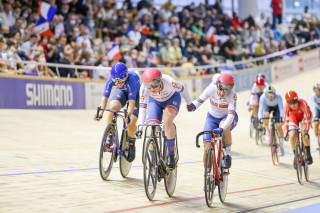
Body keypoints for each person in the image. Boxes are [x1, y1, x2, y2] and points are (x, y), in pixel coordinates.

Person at [135, 68, 194, 169]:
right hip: (155, 101)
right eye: (148, 85)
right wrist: (139, 128)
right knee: (150, 128)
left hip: (172, 99)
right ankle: (152, 157)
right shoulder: (144, 88)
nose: (152, 88)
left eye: (154, 84)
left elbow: (183, 89)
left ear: (160, 81)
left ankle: (171, 155)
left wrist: (189, 103)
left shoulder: (170, 82)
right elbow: (142, 108)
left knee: (167, 121)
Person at [94, 62, 140, 162]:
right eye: (116, 81)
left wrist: (128, 115)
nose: (118, 84)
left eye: (120, 81)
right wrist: (100, 114)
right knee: (113, 106)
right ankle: (110, 133)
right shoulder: (111, 79)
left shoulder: (131, 79)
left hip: (134, 96)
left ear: (126, 77)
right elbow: (104, 99)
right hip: (122, 92)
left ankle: (132, 143)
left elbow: (132, 103)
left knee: (131, 122)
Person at [192, 74, 238, 169]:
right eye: (220, 89)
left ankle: (227, 155)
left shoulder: (232, 95)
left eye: (225, 91)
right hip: (212, 118)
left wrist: (222, 128)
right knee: (207, 147)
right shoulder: (211, 89)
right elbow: (199, 100)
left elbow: (230, 115)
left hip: (227, 118)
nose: (222, 93)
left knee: (225, 128)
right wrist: (192, 106)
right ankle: (207, 173)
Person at [283, 91, 313, 168]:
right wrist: (286, 133)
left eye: (294, 102)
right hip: (294, 117)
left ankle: (308, 155)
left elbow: (307, 118)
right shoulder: (286, 107)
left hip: (304, 117)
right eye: (290, 103)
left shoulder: (302, 103)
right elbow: (286, 121)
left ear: (297, 100)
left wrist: (306, 131)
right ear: (287, 103)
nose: (293, 105)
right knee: (292, 135)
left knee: (304, 133)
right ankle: (296, 156)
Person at [258, 86, 285, 155]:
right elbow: (260, 110)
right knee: (265, 115)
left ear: (274, 94)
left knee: (278, 126)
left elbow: (281, 108)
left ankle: (281, 149)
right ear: (266, 95)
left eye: (272, 96)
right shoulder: (263, 97)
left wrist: (282, 118)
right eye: (268, 96)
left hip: (276, 108)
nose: (270, 98)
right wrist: (260, 120)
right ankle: (267, 132)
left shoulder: (278, 97)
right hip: (267, 107)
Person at [311, 83, 320, 150]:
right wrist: (315, 117)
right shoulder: (313, 97)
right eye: (316, 91)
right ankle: (317, 142)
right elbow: (314, 106)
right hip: (317, 110)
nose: (317, 92)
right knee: (316, 124)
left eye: (318, 90)